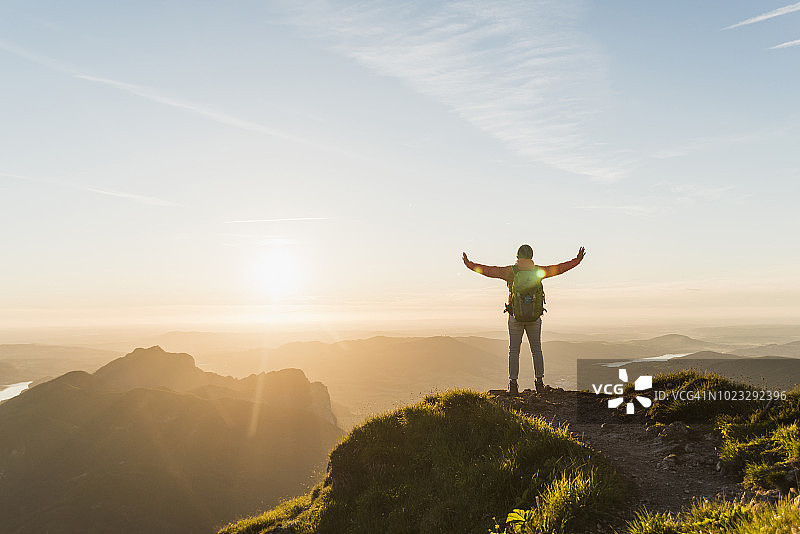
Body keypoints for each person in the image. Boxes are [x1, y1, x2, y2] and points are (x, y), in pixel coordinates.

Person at [462, 244, 586, 395]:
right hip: (534, 317)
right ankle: (539, 383)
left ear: (517, 256)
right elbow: (559, 268)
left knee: (514, 351)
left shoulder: (510, 272)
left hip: (515, 316)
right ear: (531, 256)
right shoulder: (539, 271)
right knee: (536, 350)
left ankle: (513, 384)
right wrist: (577, 260)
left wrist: (469, 264)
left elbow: (488, 270)